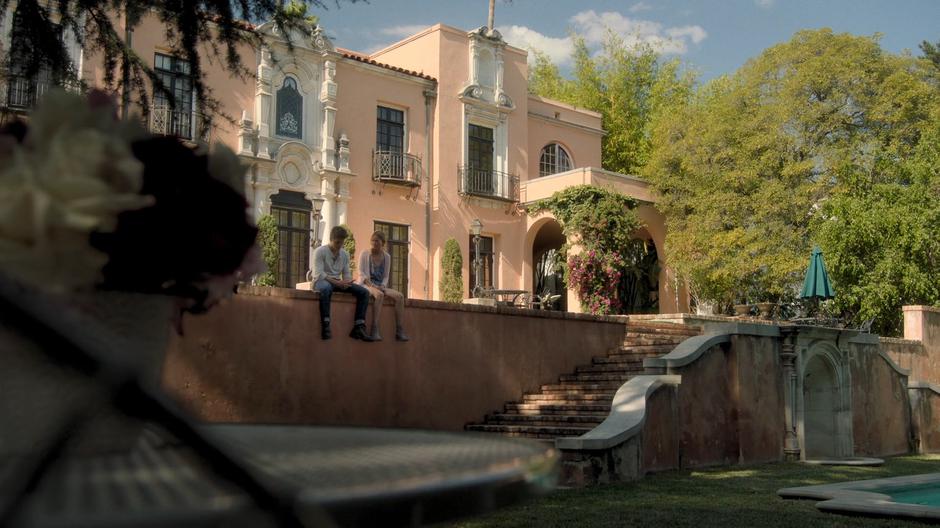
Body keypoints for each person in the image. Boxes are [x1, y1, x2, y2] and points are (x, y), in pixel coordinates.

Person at [312, 226, 374, 341]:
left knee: (364, 292)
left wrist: (347, 282)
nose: (339, 245)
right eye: (337, 242)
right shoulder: (319, 252)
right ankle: (326, 324)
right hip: (321, 282)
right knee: (326, 289)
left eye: (341, 243)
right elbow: (318, 274)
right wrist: (337, 282)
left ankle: (359, 326)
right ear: (331, 239)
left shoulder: (344, 254)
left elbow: (346, 274)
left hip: (337, 283)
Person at [359, 231, 410, 342]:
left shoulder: (387, 256)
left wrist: (382, 285)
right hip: (366, 284)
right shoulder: (364, 254)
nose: (374, 243)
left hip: (380, 285)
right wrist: (372, 285)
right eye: (372, 240)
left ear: (383, 243)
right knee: (379, 295)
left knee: (400, 296)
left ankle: (399, 330)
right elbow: (361, 273)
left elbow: (386, 276)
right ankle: (375, 329)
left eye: (377, 241)